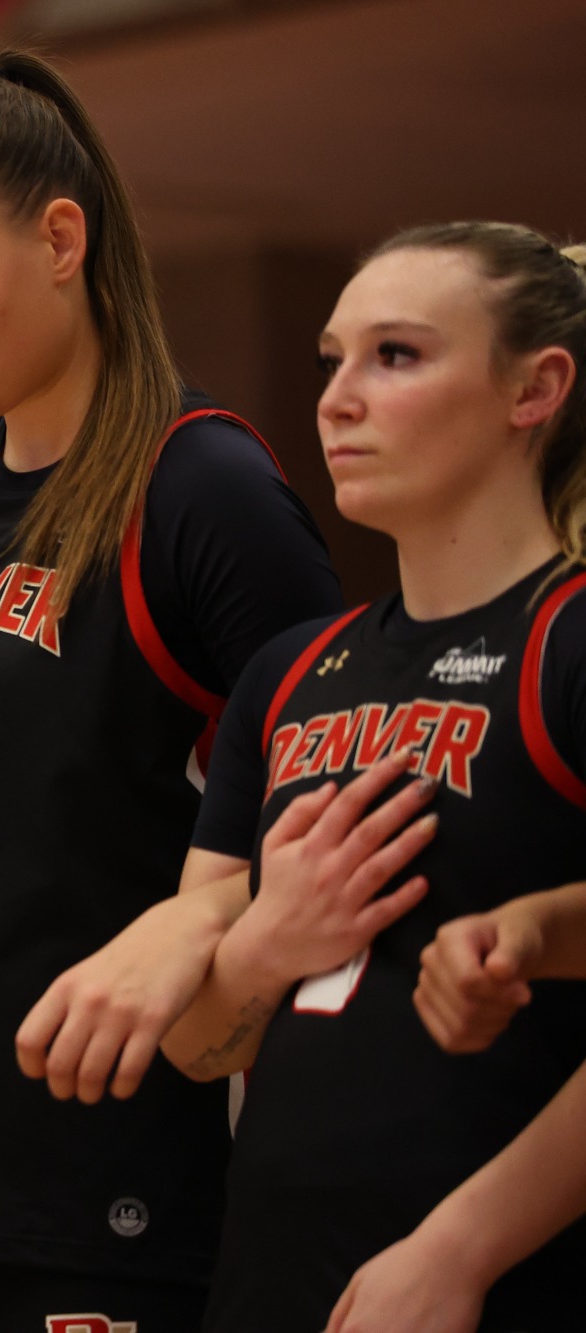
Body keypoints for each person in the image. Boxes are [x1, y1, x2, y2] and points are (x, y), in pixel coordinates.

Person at [0, 50, 344, 1331]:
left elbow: (337, 801)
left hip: (102, 1175)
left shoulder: (200, 488)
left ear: (59, 238)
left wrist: (189, 931)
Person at [158, 222, 586, 1333]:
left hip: (489, 1284)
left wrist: (459, 1247)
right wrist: (262, 944)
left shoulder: (569, 640)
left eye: (392, 355)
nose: (335, 398)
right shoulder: (285, 673)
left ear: (532, 389)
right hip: (274, 1282)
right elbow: (194, 1042)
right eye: (329, 359)